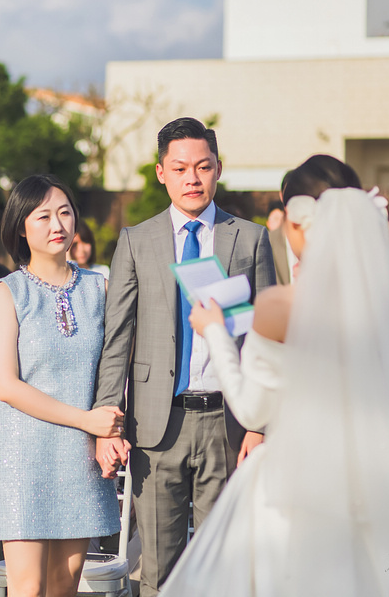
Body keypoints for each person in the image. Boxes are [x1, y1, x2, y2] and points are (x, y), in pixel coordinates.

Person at [162, 158, 389, 595]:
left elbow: (250, 407)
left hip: (299, 488)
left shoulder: (281, 305)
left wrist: (215, 333)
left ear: (299, 222)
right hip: (388, 481)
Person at [92, 117, 275, 596]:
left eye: (202, 167)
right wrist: (109, 422)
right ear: (160, 173)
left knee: (226, 563)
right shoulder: (136, 240)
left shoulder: (250, 239)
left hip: (228, 424)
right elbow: (118, 337)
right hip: (156, 425)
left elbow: (268, 339)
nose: (192, 178)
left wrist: (260, 423)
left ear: (219, 169)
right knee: (158, 569)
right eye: (180, 168)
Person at [0, 174, 122, 597]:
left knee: (65, 585)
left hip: (80, 455)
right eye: (42, 215)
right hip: (25, 455)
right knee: (27, 588)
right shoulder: (8, 292)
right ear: (20, 226)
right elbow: (5, 385)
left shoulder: (101, 288)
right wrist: (86, 420)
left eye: (64, 212)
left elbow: (115, 367)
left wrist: (104, 429)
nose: (56, 224)